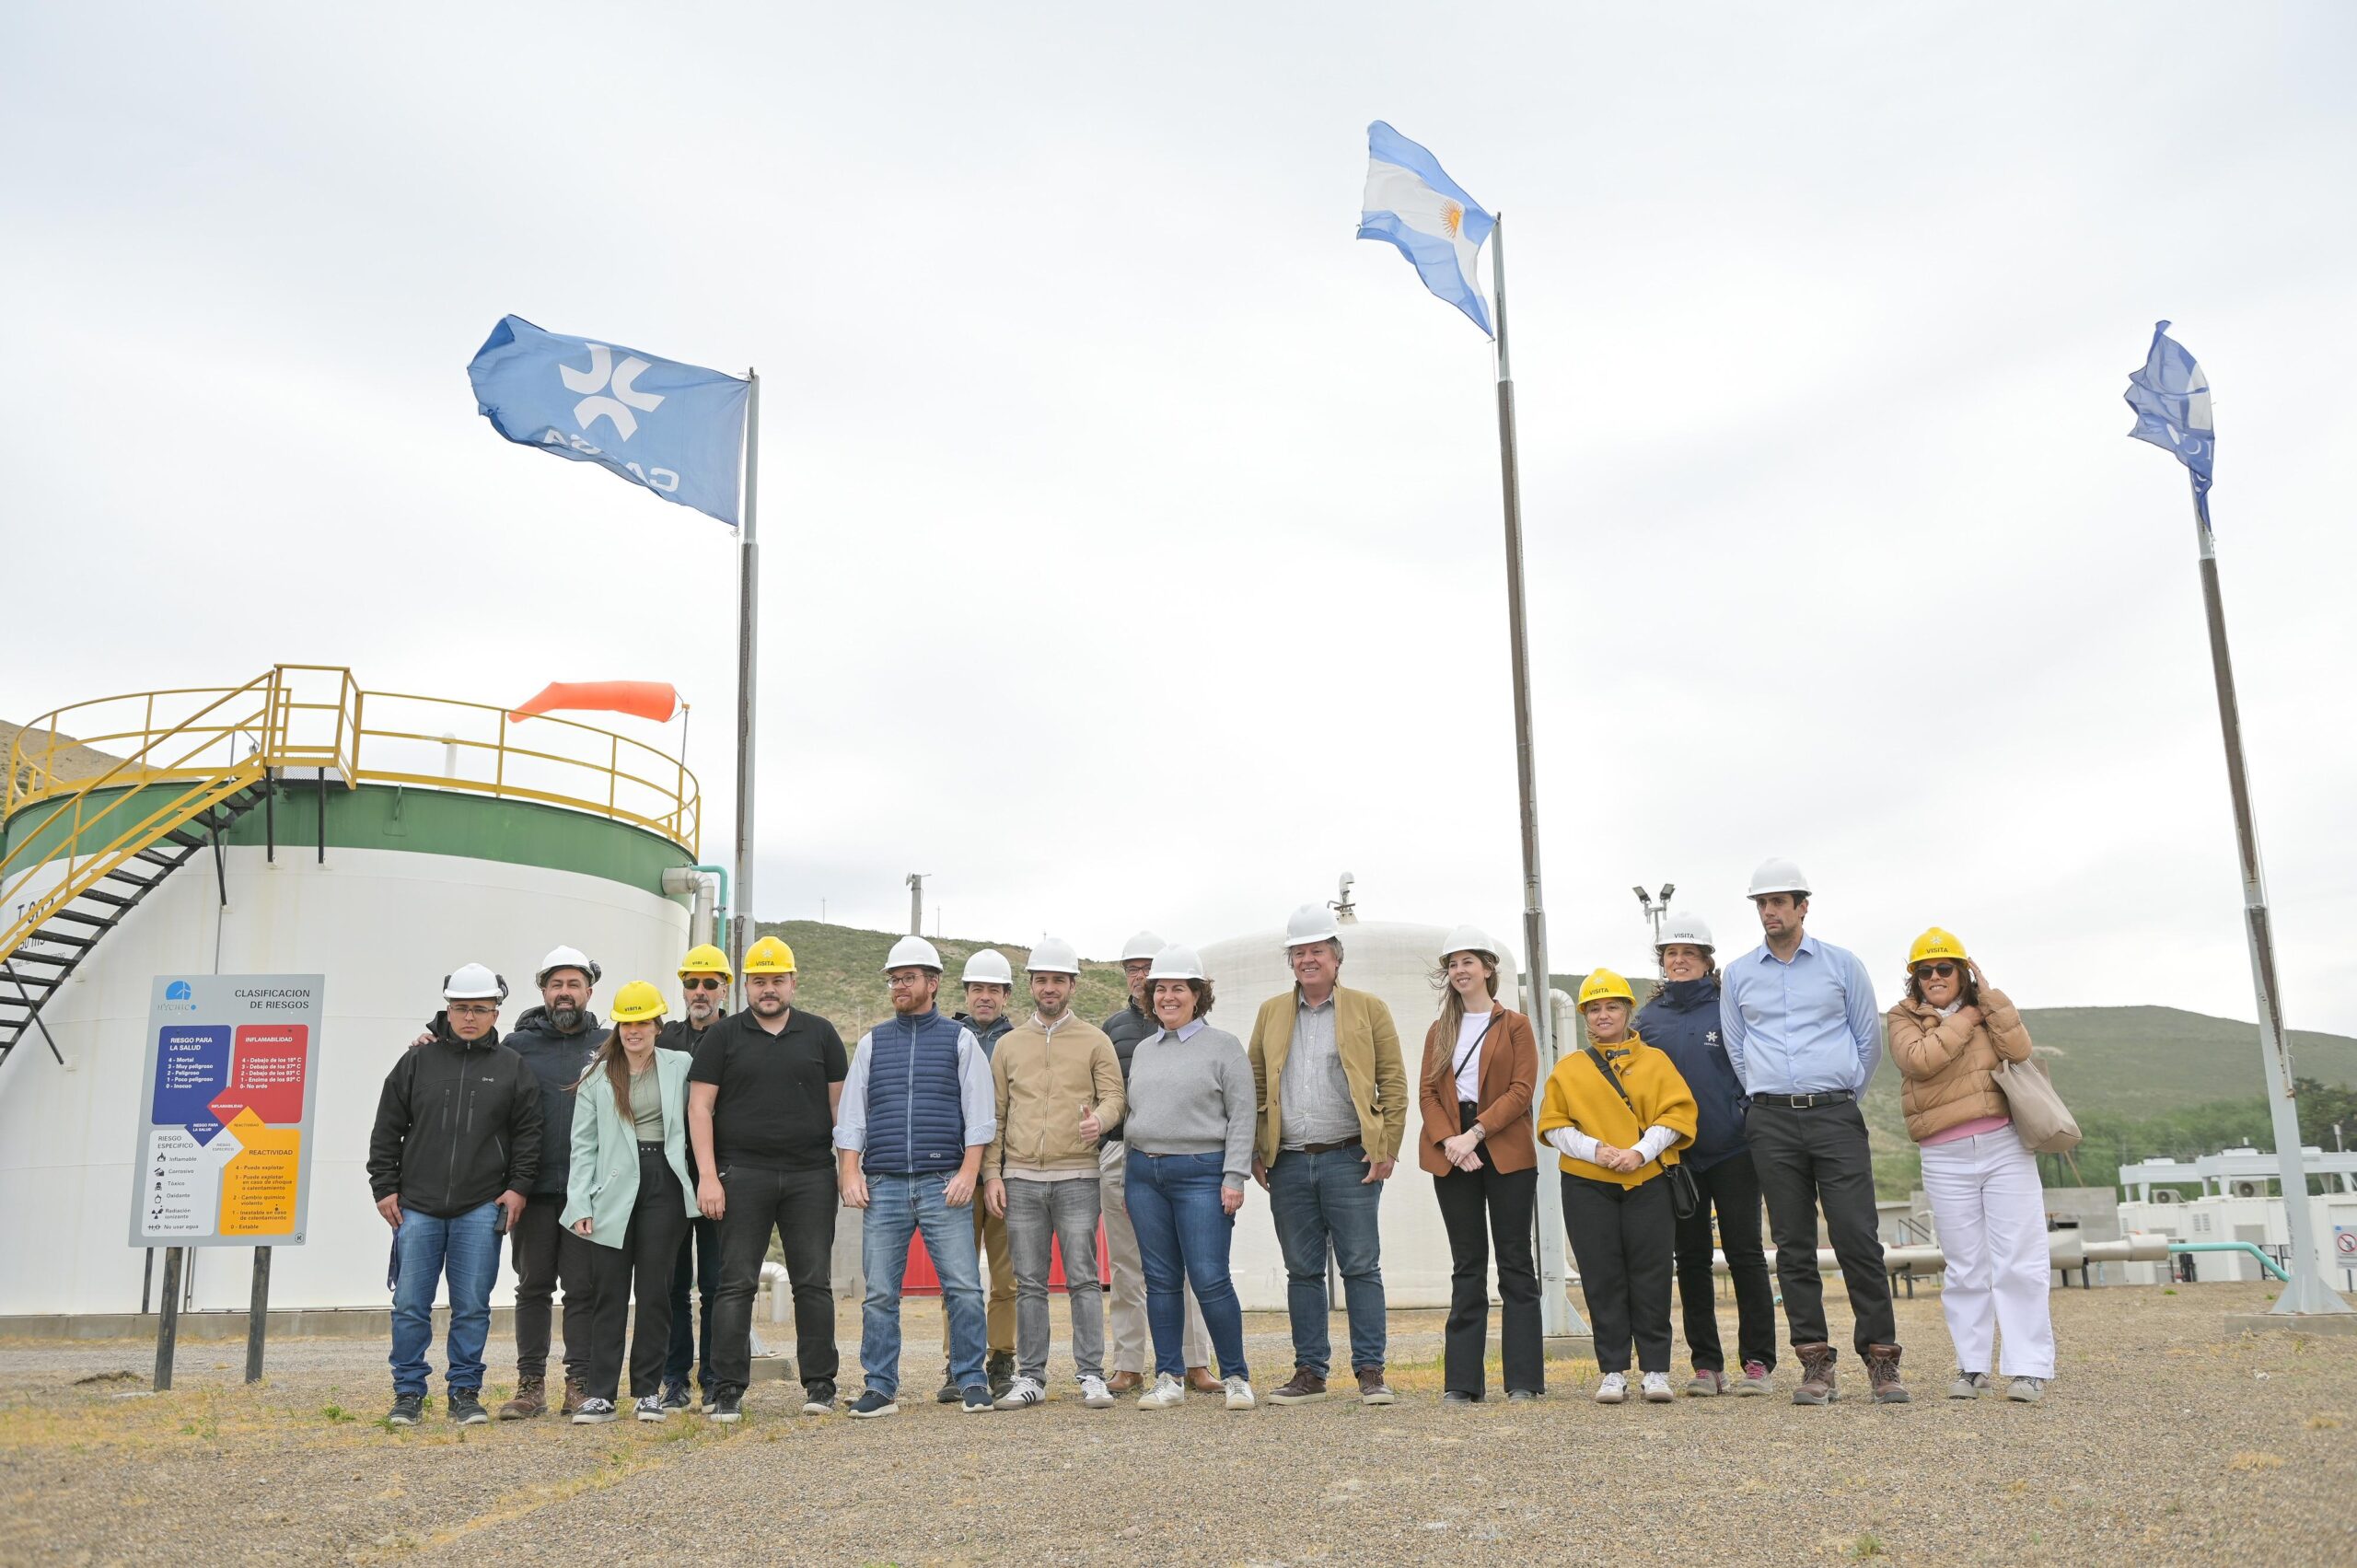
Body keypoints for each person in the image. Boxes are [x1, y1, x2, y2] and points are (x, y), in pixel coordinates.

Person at [1721, 858, 1907, 1405]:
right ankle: (1815, 1364)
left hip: (1834, 1114)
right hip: (1771, 1119)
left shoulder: (1842, 965)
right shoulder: (1738, 974)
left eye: (1779, 902)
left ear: (1803, 906)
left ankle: (1882, 1360)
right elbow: (1737, 1047)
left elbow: (1868, 1042)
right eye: (1762, 903)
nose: (1769, 911)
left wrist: (1840, 1097)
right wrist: (1768, 1095)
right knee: (1792, 1245)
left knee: (1857, 1237)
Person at [1248, 904, 1409, 1407]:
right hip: (1289, 1160)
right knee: (1302, 1270)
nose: (1307, 960)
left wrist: (1387, 1146)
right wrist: (1257, 1148)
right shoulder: (1271, 1012)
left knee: (1361, 1266)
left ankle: (1370, 1371)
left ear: (1337, 957)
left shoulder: (1369, 1008)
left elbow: (1393, 1082)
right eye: (1299, 952)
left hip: (1349, 1157)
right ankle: (1310, 1372)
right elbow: (1256, 1082)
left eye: (1316, 950)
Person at [834, 935, 999, 1418]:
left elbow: (980, 1115)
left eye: (908, 978)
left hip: (942, 1182)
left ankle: (971, 1379)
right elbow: (852, 1115)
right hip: (883, 1184)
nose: (899, 986)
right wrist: (849, 1170)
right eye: (894, 979)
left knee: (963, 1287)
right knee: (880, 1294)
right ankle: (880, 1387)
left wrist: (969, 1171)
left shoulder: (960, 1040)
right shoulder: (872, 1043)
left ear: (933, 983)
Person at [1887, 928, 2053, 1403]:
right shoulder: (1902, 1017)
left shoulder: (1988, 1009)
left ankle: (2028, 1368)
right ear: (1915, 978)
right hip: (1943, 1154)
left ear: (1963, 972)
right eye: (1925, 971)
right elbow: (1920, 1060)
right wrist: (1966, 1017)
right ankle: (1973, 1366)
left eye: (1945, 968)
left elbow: (2019, 1050)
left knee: (2020, 1259)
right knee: (1964, 1265)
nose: (1935, 977)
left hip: (2004, 1146)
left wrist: (1991, 999)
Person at [367, 964, 539, 1427]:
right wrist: (384, 1187)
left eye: (480, 1009)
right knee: (409, 1306)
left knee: (472, 1308)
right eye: (462, 1008)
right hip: (417, 1207)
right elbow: (387, 1128)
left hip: (480, 1207)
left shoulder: (511, 1067)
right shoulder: (416, 1062)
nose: (469, 1017)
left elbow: (529, 1134)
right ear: (447, 1008)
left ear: (495, 1013)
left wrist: (518, 1188)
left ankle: (464, 1392)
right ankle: (408, 1394)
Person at [688, 935, 848, 1423]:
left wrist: (848, 1169)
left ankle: (820, 1384)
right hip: (742, 1174)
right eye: (759, 981)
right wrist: (709, 1177)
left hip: (811, 1175)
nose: (768, 989)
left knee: (813, 1283)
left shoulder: (821, 1034)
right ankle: (726, 1388)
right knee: (734, 1284)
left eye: (777, 980)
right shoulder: (722, 1037)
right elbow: (700, 1107)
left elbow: (841, 1110)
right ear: (746, 986)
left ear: (793, 982)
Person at [1536, 969, 1698, 1406]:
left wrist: (1639, 1153)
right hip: (1587, 1183)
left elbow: (1676, 1116)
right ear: (1584, 1016)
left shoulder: (1657, 1062)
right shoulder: (1569, 1069)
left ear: (1628, 1011)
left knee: (1652, 1274)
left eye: (1612, 1007)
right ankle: (1612, 1371)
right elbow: (1554, 1126)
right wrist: (1598, 1151)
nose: (1603, 1015)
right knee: (1601, 1276)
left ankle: (1656, 1370)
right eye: (1594, 1009)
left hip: (1648, 1180)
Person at [1633, 912, 1777, 1397]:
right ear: (1663, 960)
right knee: (1691, 1259)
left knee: (1745, 1254)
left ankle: (1757, 1362)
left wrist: (1743, 1116)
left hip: (1733, 1150)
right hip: (1677, 1159)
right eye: (1671, 953)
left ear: (1707, 960)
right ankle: (1707, 1366)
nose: (1679, 961)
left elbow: (1753, 1065)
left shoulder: (1727, 1007)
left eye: (1689, 953)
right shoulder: (1648, 1020)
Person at [982, 937, 1126, 1411]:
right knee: (1029, 1282)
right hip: (1021, 1179)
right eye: (1042, 980)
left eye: (1058, 980)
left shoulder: (1095, 1041)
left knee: (1083, 1278)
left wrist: (1099, 1121)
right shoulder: (1008, 1046)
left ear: (1072, 985)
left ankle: (1091, 1374)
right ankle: (1032, 1378)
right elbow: (997, 1114)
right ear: (1030, 985)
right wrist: (993, 1173)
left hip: (1078, 1177)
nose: (1049, 987)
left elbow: (1115, 1097)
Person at [1121, 945, 1256, 1411]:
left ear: (1198, 995)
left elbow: (1243, 1116)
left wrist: (1234, 1176)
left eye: (1179, 988)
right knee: (1159, 1280)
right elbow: (1136, 1115)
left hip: (1202, 1173)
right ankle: (1169, 1377)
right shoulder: (1144, 1051)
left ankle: (1236, 1376)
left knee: (1210, 1278)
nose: (1168, 997)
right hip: (1144, 1175)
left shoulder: (1224, 1047)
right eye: (1160, 988)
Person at [1416, 926, 1542, 1405]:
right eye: (1452, 964)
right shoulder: (1440, 1030)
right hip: (1453, 1151)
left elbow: (1521, 1090)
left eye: (1467, 961)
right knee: (1467, 1264)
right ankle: (1462, 1382)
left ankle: (1524, 1381)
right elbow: (1428, 1092)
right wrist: (1451, 1139)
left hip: (1503, 1146)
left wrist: (1476, 1133)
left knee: (1515, 1263)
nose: (1459, 970)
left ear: (1488, 968)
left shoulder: (1515, 1025)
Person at [563, 981, 697, 1423]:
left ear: (658, 1025)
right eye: (625, 1023)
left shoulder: (681, 1065)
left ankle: (647, 1391)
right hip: (614, 1185)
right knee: (609, 1292)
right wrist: (580, 1203)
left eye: (642, 1022)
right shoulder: (597, 1076)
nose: (633, 1031)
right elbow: (583, 1146)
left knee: (656, 1291)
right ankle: (601, 1394)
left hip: (664, 1182)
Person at [1099, 928, 1220, 1396]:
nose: (1140, 976)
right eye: (1133, 968)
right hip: (1122, 1152)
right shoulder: (1112, 1029)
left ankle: (1194, 1362)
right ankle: (1128, 1363)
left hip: (1183, 1158)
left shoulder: (1193, 1028)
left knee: (1186, 1263)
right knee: (1126, 1264)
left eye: (1148, 968)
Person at [496, 946, 607, 1420]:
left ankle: (579, 1384)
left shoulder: (607, 1044)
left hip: (587, 1193)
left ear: (589, 992)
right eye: (556, 984)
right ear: (543, 991)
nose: (565, 993)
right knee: (533, 1287)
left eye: (574, 985)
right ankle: (531, 1386)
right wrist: (433, 1036)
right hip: (533, 1190)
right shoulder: (517, 1047)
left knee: (582, 1289)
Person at [937, 948, 1019, 1403]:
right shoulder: (945, 1038)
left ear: (1006, 995)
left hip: (1007, 1174)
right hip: (956, 1173)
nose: (984, 996)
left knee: (1007, 1278)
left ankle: (1002, 1358)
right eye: (977, 989)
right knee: (958, 1275)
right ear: (966, 992)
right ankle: (958, 1362)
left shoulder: (1022, 1042)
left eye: (993, 989)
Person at [655, 942, 731, 1413]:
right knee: (672, 1284)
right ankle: (674, 1379)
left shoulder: (740, 1035)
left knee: (720, 1285)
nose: (699, 991)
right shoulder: (663, 1038)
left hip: (724, 1176)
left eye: (709, 983)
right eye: (691, 983)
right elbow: (610, 1048)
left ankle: (716, 1378)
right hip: (670, 1177)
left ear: (724, 989)